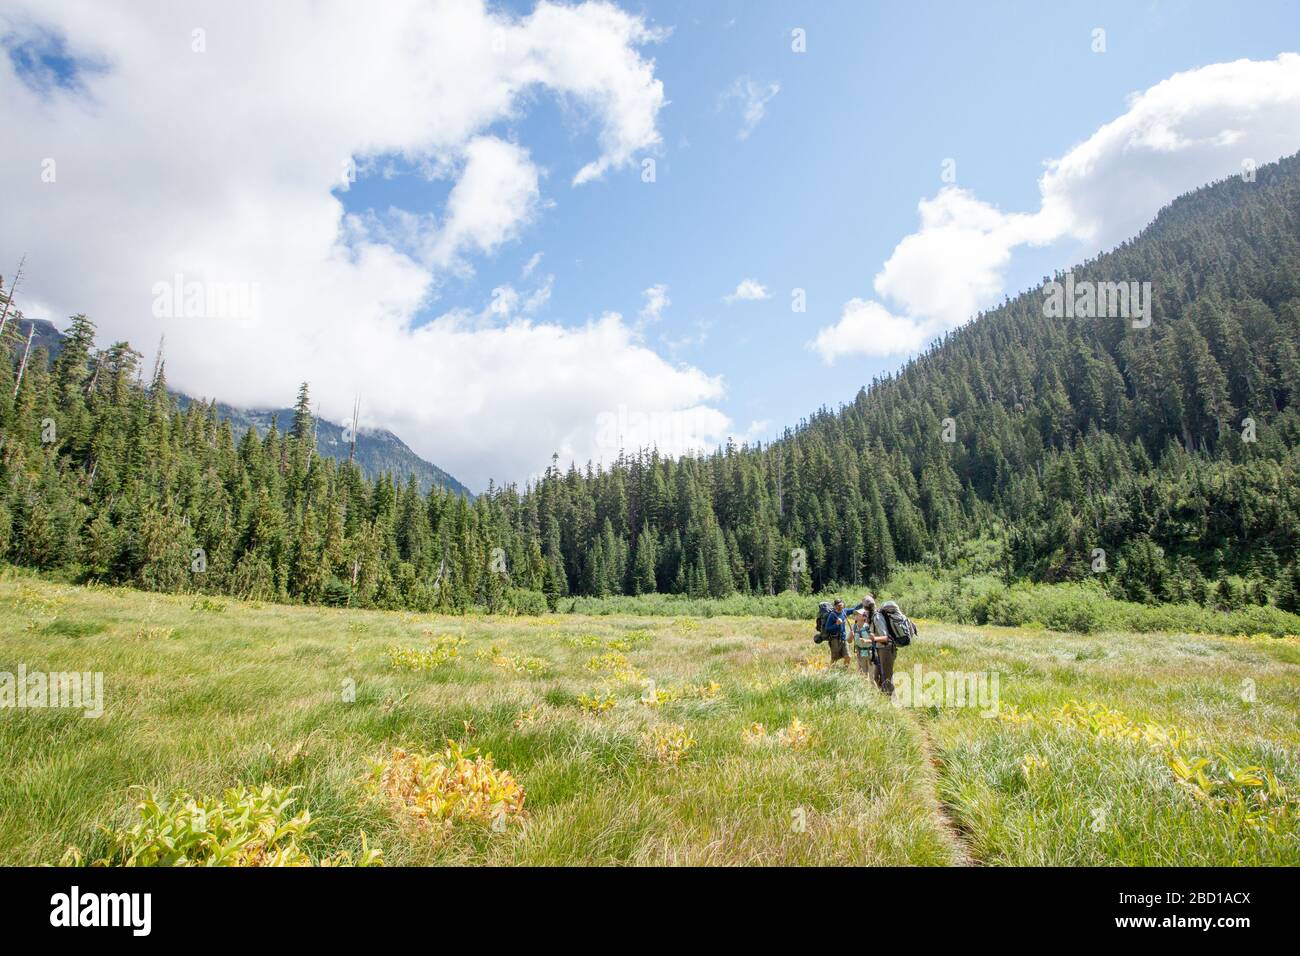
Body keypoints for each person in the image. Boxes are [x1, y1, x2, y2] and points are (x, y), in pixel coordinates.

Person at [853, 594, 895, 694]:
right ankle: (883, 700)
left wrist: (873, 638)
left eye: (864, 608)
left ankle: (892, 700)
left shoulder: (877, 618)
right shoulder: (871, 618)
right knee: (876, 678)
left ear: (867, 608)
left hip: (886, 649)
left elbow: (886, 638)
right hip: (879, 649)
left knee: (887, 679)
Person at [822, 598, 851, 667]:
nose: (840, 607)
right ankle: (831, 671)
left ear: (843, 605)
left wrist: (864, 603)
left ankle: (845, 670)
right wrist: (836, 624)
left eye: (841, 605)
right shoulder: (832, 615)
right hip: (834, 639)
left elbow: (855, 609)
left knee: (848, 656)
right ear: (835, 606)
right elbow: (827, 628)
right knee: (834, 658)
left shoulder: (845, 611)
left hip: (843, 638)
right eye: (838, 605)